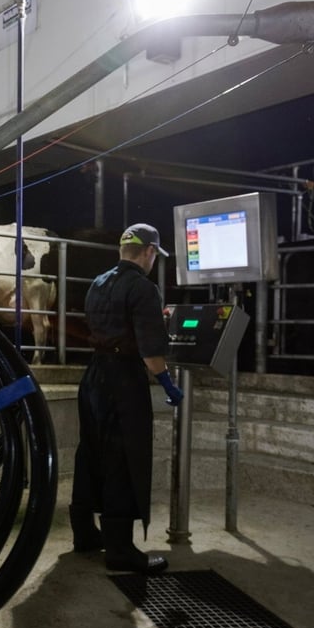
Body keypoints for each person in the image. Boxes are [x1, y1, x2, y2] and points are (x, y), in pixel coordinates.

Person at [70, 223, 183, 574]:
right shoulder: (143, 289)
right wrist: (167, 383)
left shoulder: (98, 283)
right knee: (123, 457)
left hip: (93, 377)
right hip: (123, 380)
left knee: (90, 451)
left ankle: (85, 533)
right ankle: (120, 550)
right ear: (149, 252)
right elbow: (151, 351)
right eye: (154, 255)